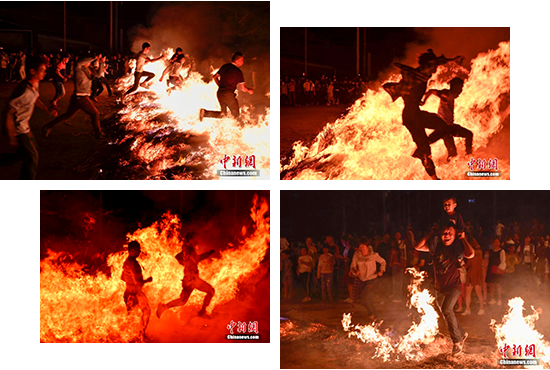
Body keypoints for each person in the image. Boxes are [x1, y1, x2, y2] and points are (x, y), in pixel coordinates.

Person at [383, 49, 463, 179]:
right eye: (434, 67)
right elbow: (433, 63)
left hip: (414, 114)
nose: (435, 70)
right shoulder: (419, 76)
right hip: (412, 117)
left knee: (443, 127)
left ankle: (423, 150)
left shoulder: (413, 79)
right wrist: (452, 59)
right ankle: (434, 176)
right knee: (427, 151)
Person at [415, 221, 474, 356]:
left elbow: (470, 254)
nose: (446, 235)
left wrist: (463, 238)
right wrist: (431, 233)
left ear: (454, 235)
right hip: (440, 287)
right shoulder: (436, 246)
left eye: (450, 233)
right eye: (444, 233)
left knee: (447, 309)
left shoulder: (457, 247)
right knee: (444, 311)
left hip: (454, 286)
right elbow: (417, 246)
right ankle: (462, 333)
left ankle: (457, 342)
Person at [1, 56, 57, 179]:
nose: (45, 72)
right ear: (32, 71)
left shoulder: (35, 85)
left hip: (25, 127)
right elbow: (8, 112)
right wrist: (11, 136)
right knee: (32, 159)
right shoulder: (23, 90)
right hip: (18, 129)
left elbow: (35, 98)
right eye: (42, 69)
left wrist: (47, 110)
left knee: (22, 155)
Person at [156, 232, 215, 318]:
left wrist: (185, 264)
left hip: (188, 279)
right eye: (195, 238)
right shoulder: (190, 250)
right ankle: (202, 312)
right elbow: (192, 258)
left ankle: (164, 307)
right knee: (210, 291)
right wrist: (208, 254)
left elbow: (183, 257)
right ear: (190, 240)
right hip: (193, 279)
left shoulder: (188, 250)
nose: (197, 240)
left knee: (182, 301)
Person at [42, 54, 102, 139]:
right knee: (95, 113)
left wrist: (101, 63)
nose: (90, 63)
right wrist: (94, 58)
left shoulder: (86, 69)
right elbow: (80, 63)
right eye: (88, 62)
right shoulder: (78, 68)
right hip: (81, 97)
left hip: (78, 97)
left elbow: (98, 74)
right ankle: (98, 134)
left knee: (67, 116)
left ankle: (48, 126)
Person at [421, 77, 473, 155]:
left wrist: (424, 100)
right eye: (460, 87)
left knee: (469, 134)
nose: (461, 90)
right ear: (455, 87)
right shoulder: (446, 94)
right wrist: (423, 101)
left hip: (449, 127)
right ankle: (420, 151)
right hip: (444, 128)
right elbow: (431, 91)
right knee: (452, 153)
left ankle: (469, 155)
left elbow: (431, 92)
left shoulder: (450, 96)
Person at [199, 52, 253, 121]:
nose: (242, 62)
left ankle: (205, 113)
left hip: (220, 93)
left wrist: (220, 86)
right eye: (242, 60)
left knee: (223, 114)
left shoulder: (225, 66)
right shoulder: (238, 72)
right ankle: (237, 129)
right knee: (236, 115)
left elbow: (215, 77)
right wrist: (249, 90)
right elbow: (243, 88)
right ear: (238, 60)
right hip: (228, 95)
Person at [121, 241, 153, 336]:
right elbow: (138, 282)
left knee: (131, 317)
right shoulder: (133, 264)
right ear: (132, 250)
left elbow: (122, 277)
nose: (140, 252)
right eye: (138, 250)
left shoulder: (126, 262)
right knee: (146, 311)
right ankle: (141, 334)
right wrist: (147, 280)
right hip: (134, 294)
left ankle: (133, 336)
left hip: (128, 293)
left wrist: (129, 281)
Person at [350, 240, 386, 321]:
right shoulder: (357, 255)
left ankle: (373, 315)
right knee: (366, 300)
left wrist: (381, 270)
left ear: (367, 247)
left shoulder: (373, 255)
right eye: (360, 247)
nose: (362, 249)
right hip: (362, 280)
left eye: (363, 247)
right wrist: (355, 271)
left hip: (372, 280)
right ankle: (373, 315)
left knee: (365, 297)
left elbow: (383, 262)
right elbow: (352, 266)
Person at [462, 239, 485, 315]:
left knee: (473, 293)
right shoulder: (479, 253)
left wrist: (462, 265)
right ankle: (469, 309)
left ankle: (479, 308)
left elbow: (468, 264)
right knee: (473, 293)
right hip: (473, 274)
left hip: (474, 274)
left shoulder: (474, 254)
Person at [486, 238, 506, 306]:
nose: (496, 244)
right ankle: (492, 299)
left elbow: (503, 260)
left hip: (498, 269)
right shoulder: (490, 251)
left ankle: (499, 299)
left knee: (498, 284)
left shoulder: (501, 251)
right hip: (491, 268)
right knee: (491, 284)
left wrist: (499, 268)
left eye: (497, 242)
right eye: (495, 242)